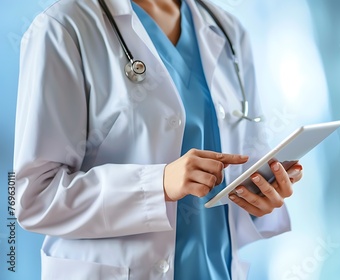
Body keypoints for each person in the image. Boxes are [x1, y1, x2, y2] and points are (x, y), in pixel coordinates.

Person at [14, 0, 303, 279]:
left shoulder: (226, 29)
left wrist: (261, 195)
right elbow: (34, 197)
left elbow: (241, 167)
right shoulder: (64, 27)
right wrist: (157, 184)